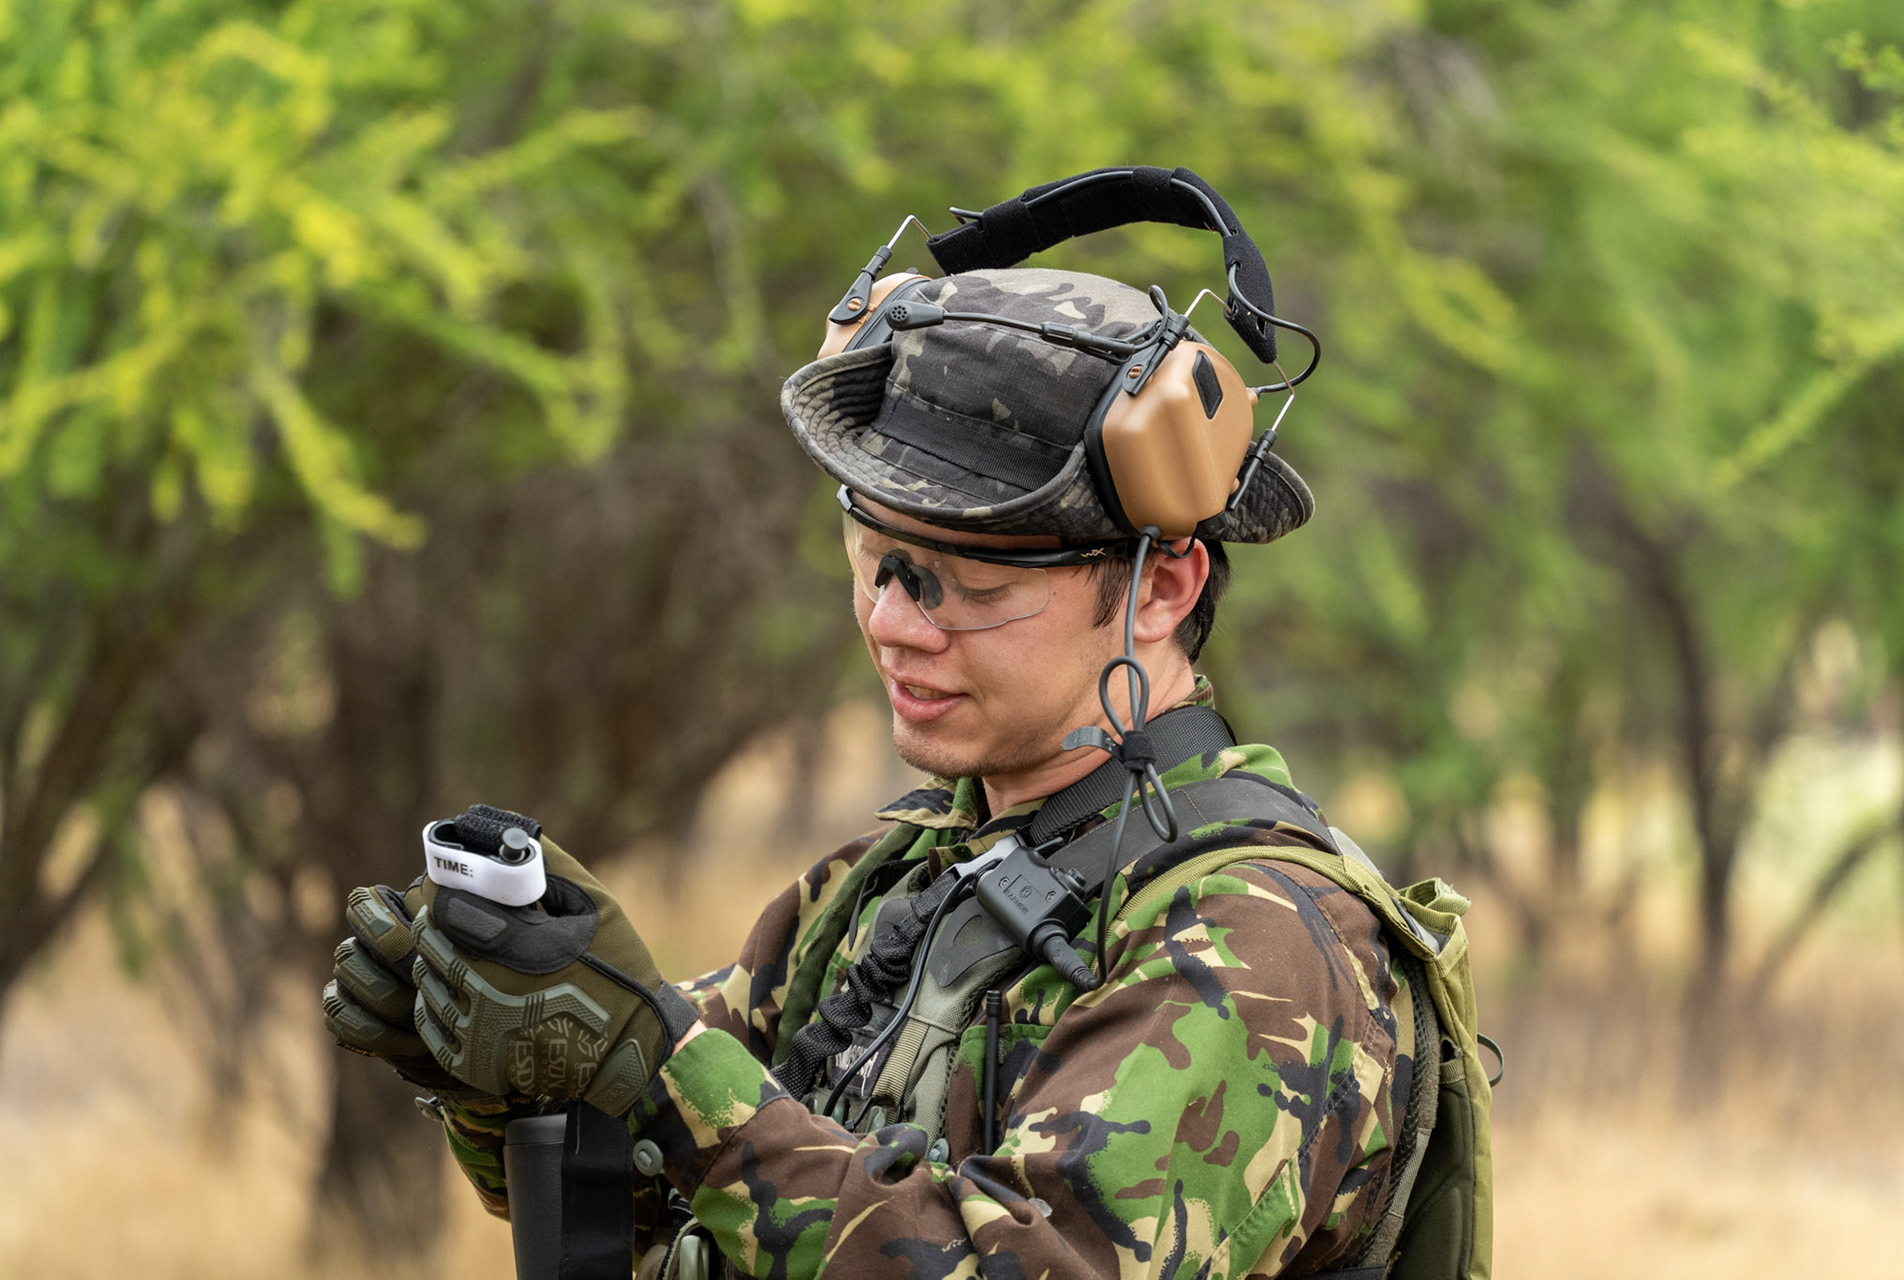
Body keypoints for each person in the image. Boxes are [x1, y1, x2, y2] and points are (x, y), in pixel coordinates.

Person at [324, 174, 1451, 1280]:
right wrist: (500, 1051)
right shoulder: (888, 885)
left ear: (1161, 589)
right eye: (876, 561)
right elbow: (654, 1193)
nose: (893, 624)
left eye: (969, 585)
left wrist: (652, 1061)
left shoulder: (1259, 940)